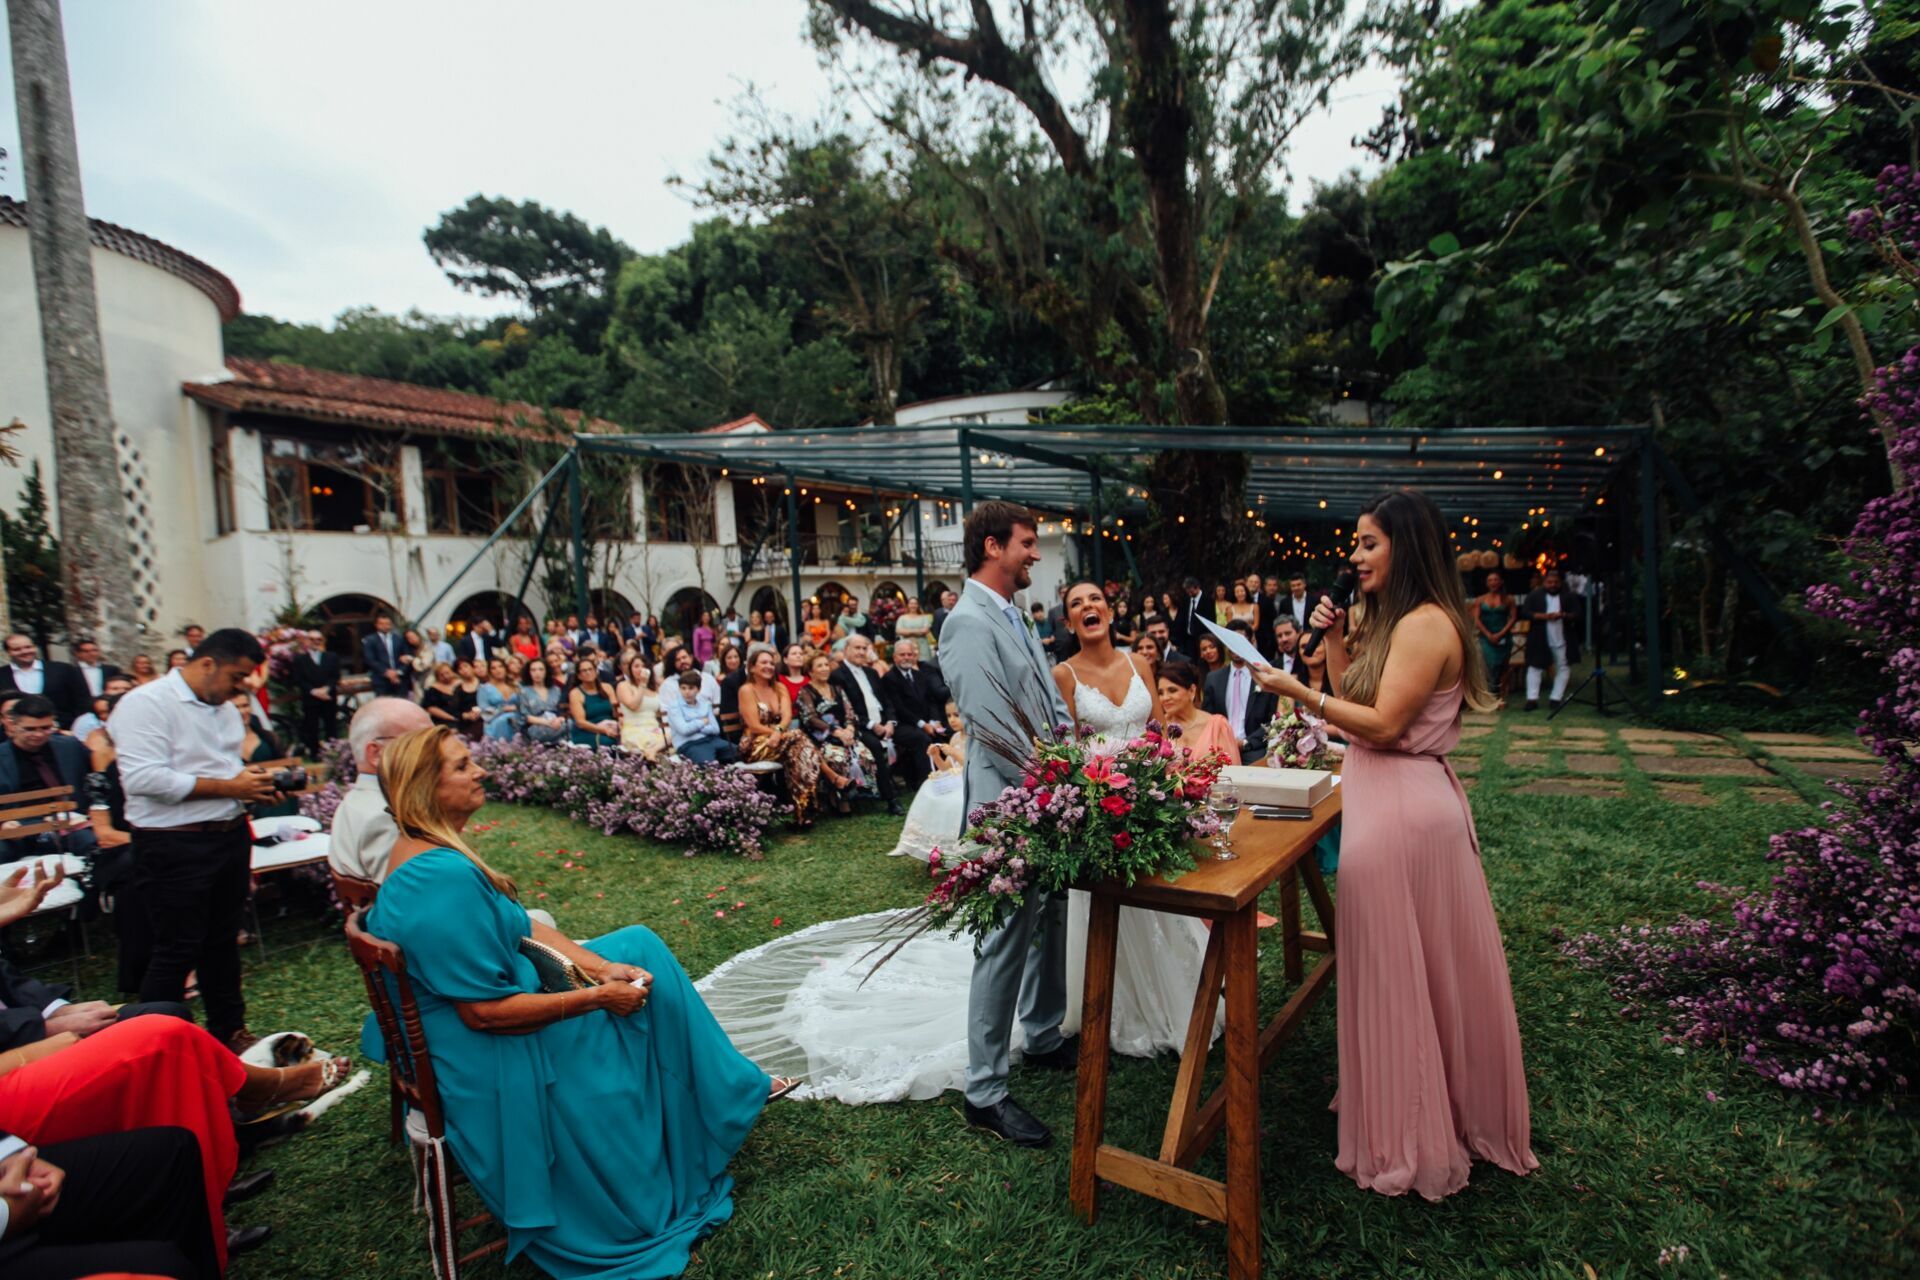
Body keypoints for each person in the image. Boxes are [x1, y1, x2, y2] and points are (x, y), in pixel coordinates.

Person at [696, 534, 1217, 1124]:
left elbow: (1046, 702)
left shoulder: (1013, 612)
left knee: (1050, 914)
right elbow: (991, 724)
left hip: (1051, 793)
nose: (1036, 555)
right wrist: (1060, 779)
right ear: (994, 546)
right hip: (1012, 801)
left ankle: (1044, 1035)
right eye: (1026, 543)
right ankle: (986, 1092)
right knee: (1005, 939)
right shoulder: (966, 621)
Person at [362, 726, 792, 1278]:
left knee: (637, 945)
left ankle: (723, 1088)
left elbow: (522, 929)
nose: (481, 772)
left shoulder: (429, 850)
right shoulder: (437, 878)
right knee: (630, 1009)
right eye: (464, 766)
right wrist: (597, 999)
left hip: (491, 1006)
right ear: (426, 786)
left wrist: (601, 967)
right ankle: (695, 1118)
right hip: (481, 1051)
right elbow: (485, 1014)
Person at [1249, 487, 1535, 1199]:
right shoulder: (1400, 620)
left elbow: (1378, 727)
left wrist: (1297, 690)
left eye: (1368, 542)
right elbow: (1364, 702)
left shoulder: (1429, 624)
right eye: (1355, 543)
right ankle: (1418, 1101)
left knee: (1401, 971)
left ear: (1406, 545)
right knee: (1409, 967)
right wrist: (1334, 642)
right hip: (1388, 794)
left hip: (1405, 809)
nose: (1354, 554)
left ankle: (1412, 1132)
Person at [110, 628, 276, 1052]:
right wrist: (230, 788)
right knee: (176, 947)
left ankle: (230, 1033)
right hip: (173, 844)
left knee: (222, 941)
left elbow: (221, 769)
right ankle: (155, 1049)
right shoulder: (144, 704)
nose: (241, 688)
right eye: (237, 677)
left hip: (228, 835)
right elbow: (144, 779)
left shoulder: (221, 708)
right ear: (207, 663)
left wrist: (251, 783)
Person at [327, 697, 434, 885]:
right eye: (420, 742)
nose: (436, 752)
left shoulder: (354, 800)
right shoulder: (386, 814)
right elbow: (411, 893)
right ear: (376, 753)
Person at [0, 696, 94, 861]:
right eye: (29, 729)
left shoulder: (70, 746)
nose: (38, 734)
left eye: (45, 728)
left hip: (69, 823)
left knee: (92, 844)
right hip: (17, 827)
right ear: (13, 726)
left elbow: (96, 781)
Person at [739, 648, 823, 828]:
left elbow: (786, 718)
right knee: (799, 738)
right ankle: (805, 807)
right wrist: (775, 734)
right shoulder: (747, 690)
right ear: (752, 668)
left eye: (771, 662)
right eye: (763, 662)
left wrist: (778, 731)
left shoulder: (779, 687)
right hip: (756, 743)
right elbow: (753, 725)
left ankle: (799, 814)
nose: (769, 666)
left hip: (782, 740)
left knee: (799, 754)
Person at [830, 635, 905, 817]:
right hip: (859, 727)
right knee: (875, 747)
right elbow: (846, 709)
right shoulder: (838, 675)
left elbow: (886, 700)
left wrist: (890, 722)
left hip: (884, 724)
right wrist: (872, 725)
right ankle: (891, 799)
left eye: (865, 648)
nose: (861, 652)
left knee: (918, 737)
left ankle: (921, 783)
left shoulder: (871, 673)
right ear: (846, 649)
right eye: (857, 648)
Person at [885, 699, 968, 860]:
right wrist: (936, 756)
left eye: (956, 715)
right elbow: (947, 767)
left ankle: (950, 846)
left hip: (967, 781)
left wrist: (953, 752)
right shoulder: (955, 737)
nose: (952, 720)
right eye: (948, 715)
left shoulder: (975, 738)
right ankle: (910, 842)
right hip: (954, 779)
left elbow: (971, 765)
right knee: (927, 786)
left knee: (952, 801)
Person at [796, 653, 875, 815]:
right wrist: (836, 731)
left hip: (845, 734)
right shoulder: (805, 692)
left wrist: (850, 730)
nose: (825, 669)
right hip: (821, 737)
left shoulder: (837, 688)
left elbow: (849, 711)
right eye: (819, 666)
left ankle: (859, 791)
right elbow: (810, 719)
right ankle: (839, 798)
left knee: (865, 755)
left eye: (826, 665)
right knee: (836, 757)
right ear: (810, 671)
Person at [1201, 621, 1276, 763]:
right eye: (1231, 642)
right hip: (1220, 750)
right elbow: (1208, 717)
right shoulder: (1214, 679)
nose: (1235, 647)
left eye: (1239, 641)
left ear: (1250, 642)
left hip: (1255, 749)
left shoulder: (1265, 677)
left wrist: (1246, 742)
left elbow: (1272, 720)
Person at [879, 639, 947, 791]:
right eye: (902, 654)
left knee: (945, 732)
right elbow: (899, 708)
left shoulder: (919, 675)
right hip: (903, 723)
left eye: (910, 654)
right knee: (922, 738)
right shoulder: (889, 678)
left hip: (925, 721)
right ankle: (927, 784)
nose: (906, 657)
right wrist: (923, 725)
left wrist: (934, 721)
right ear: (895, 657)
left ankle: (948, 776)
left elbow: (931, 701)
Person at [1157, 658, 1240, 767]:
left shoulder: (1217, 726)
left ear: (1192, 690)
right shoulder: (1158, 728)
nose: (1165, 698)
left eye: (1172, 690)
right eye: (1160, 693)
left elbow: (1231, 772)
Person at [229, 692, 297, 820]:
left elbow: (286, 769)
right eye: (236, 707)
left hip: (273, 800)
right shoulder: (222, 744)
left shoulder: (268, 737)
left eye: (245, 706)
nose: (242, 711)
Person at [1522, 567, 1582, 712]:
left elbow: (1577, 614)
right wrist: (1544, 616)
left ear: (1560, 583)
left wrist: (1564, 615)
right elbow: (1525, 613)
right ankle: (1532, 699)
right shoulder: (1534, 596)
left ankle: (1556, 697)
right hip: (1540, 637)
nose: (1553, 585)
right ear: (1544, 582)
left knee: (1563, 666)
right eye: (1549, 582)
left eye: (1555, 582)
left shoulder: (1568, 596)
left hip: (1562, 638)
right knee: (1534, 667)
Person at [0, 636, 88, 729]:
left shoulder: (63, 669)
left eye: (28, 647)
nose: (25, 651)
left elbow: (83, 700)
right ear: (8, 652)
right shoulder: (2, 675)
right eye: (17, 649)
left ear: (35, 647)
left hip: (66, 730)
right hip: (17, 734)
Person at [663, 673, 739, 764]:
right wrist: (702, 722)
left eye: (691, 688)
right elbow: (684, 730)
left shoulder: (705, 704)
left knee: (739, 753)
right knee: (708, 764)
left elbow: (715, 729)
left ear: (698, 689)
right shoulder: (674, 706)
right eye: (683, 688)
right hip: (689, 744)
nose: (687, 692)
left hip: (711, 740)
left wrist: (694, 726)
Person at [289, 630, 341, 756]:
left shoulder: (331, 657)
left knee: (331, 725)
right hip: (310, 699)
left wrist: (326, 688)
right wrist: (313, 691)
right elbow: (298, 679)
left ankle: (333, 752)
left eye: (318, 639)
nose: (315, 642)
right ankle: (315, 753)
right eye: (312, 639)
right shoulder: (300, 659)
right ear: (306, 641)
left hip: (328, 697)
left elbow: (335, 676)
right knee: (312, 726)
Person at [1474, 570, 1519, 708]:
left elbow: (1513, 618)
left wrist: (1501, 633)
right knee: (1490, 665)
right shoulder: (1480, 600)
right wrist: (1488, 634)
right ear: (1487, 584)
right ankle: (1490, 696)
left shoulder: (1509, 599)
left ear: (1501, 582)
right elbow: (1476, 619)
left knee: (1502, 667)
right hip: (1486, 638)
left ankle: (1500, 696)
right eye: (1490, 580)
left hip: (1503, 637)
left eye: (1495, 580)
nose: (1493, 582)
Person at [616, 656, 668, 760]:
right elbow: (633, 706)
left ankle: (652, 753)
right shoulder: (624, 686)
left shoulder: (654, 688)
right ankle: (651, 757)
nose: (640, 669)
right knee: (650, 740)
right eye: (636, 666)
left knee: (672, 735)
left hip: (654, 727)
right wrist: (642, 684)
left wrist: (655, 680)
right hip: (634, 727)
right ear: (630, 669)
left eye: (644, 666)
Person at [567, 656, 620, 749]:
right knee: (607, 741)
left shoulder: (607, 687)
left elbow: (615, 713)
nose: (588, 672)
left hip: (610, 725)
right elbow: (580, 722)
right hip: (588, 730)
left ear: (596, 671)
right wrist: (604, 730)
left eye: (590, 669)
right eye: (584, 671)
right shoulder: (575, 693)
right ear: (579, 675)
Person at [513, 659, 568, 746]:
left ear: (546, 671)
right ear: (529, 672)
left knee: (570, 724)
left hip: (556, 722)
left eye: (541, 669)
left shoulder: (556, 690)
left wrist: (560, 719)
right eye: (533, 670)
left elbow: (562, 710)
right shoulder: (524, 691)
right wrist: (548, 722)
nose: (537, 673)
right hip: (537, 724)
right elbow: (525, 716)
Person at [360, 615, 410, 697]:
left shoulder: (399, 639)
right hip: (381, 680)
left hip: (399, 679)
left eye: (387, 624)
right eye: (382, 624)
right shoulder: (370, 640)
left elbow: (407, 656)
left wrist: (398, 672)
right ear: (376, 625)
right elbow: (369, 659)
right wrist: (386, 672)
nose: (385, 626)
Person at [477, 658, 519, 742]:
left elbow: (525, 704)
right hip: (496, 721)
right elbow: (484, 711)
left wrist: (517, 708)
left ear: (505, 668)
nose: (498, 670)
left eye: (500, 666)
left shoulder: (515, 685)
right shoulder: (484, 688)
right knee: (503, 721)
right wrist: (502, 709)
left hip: (517, 719)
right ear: (490, 671)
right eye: (493, 668)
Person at [418, 663, 464, 733]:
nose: (445, 676)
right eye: (441, 675)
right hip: (444, 721)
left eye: (447, 673)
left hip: (464, 717)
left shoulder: (462, 683)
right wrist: (451, 718)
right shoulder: (433, 689)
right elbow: (430, 708)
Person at [1175, 577, 1210, 654]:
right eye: (1187, 591)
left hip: (1202, 638)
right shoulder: (1186, 600)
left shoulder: (1208, 600)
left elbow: (1210, 620)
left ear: (1197, 587)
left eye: (1191, 591)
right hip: (1189, 639)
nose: (1189, 593)